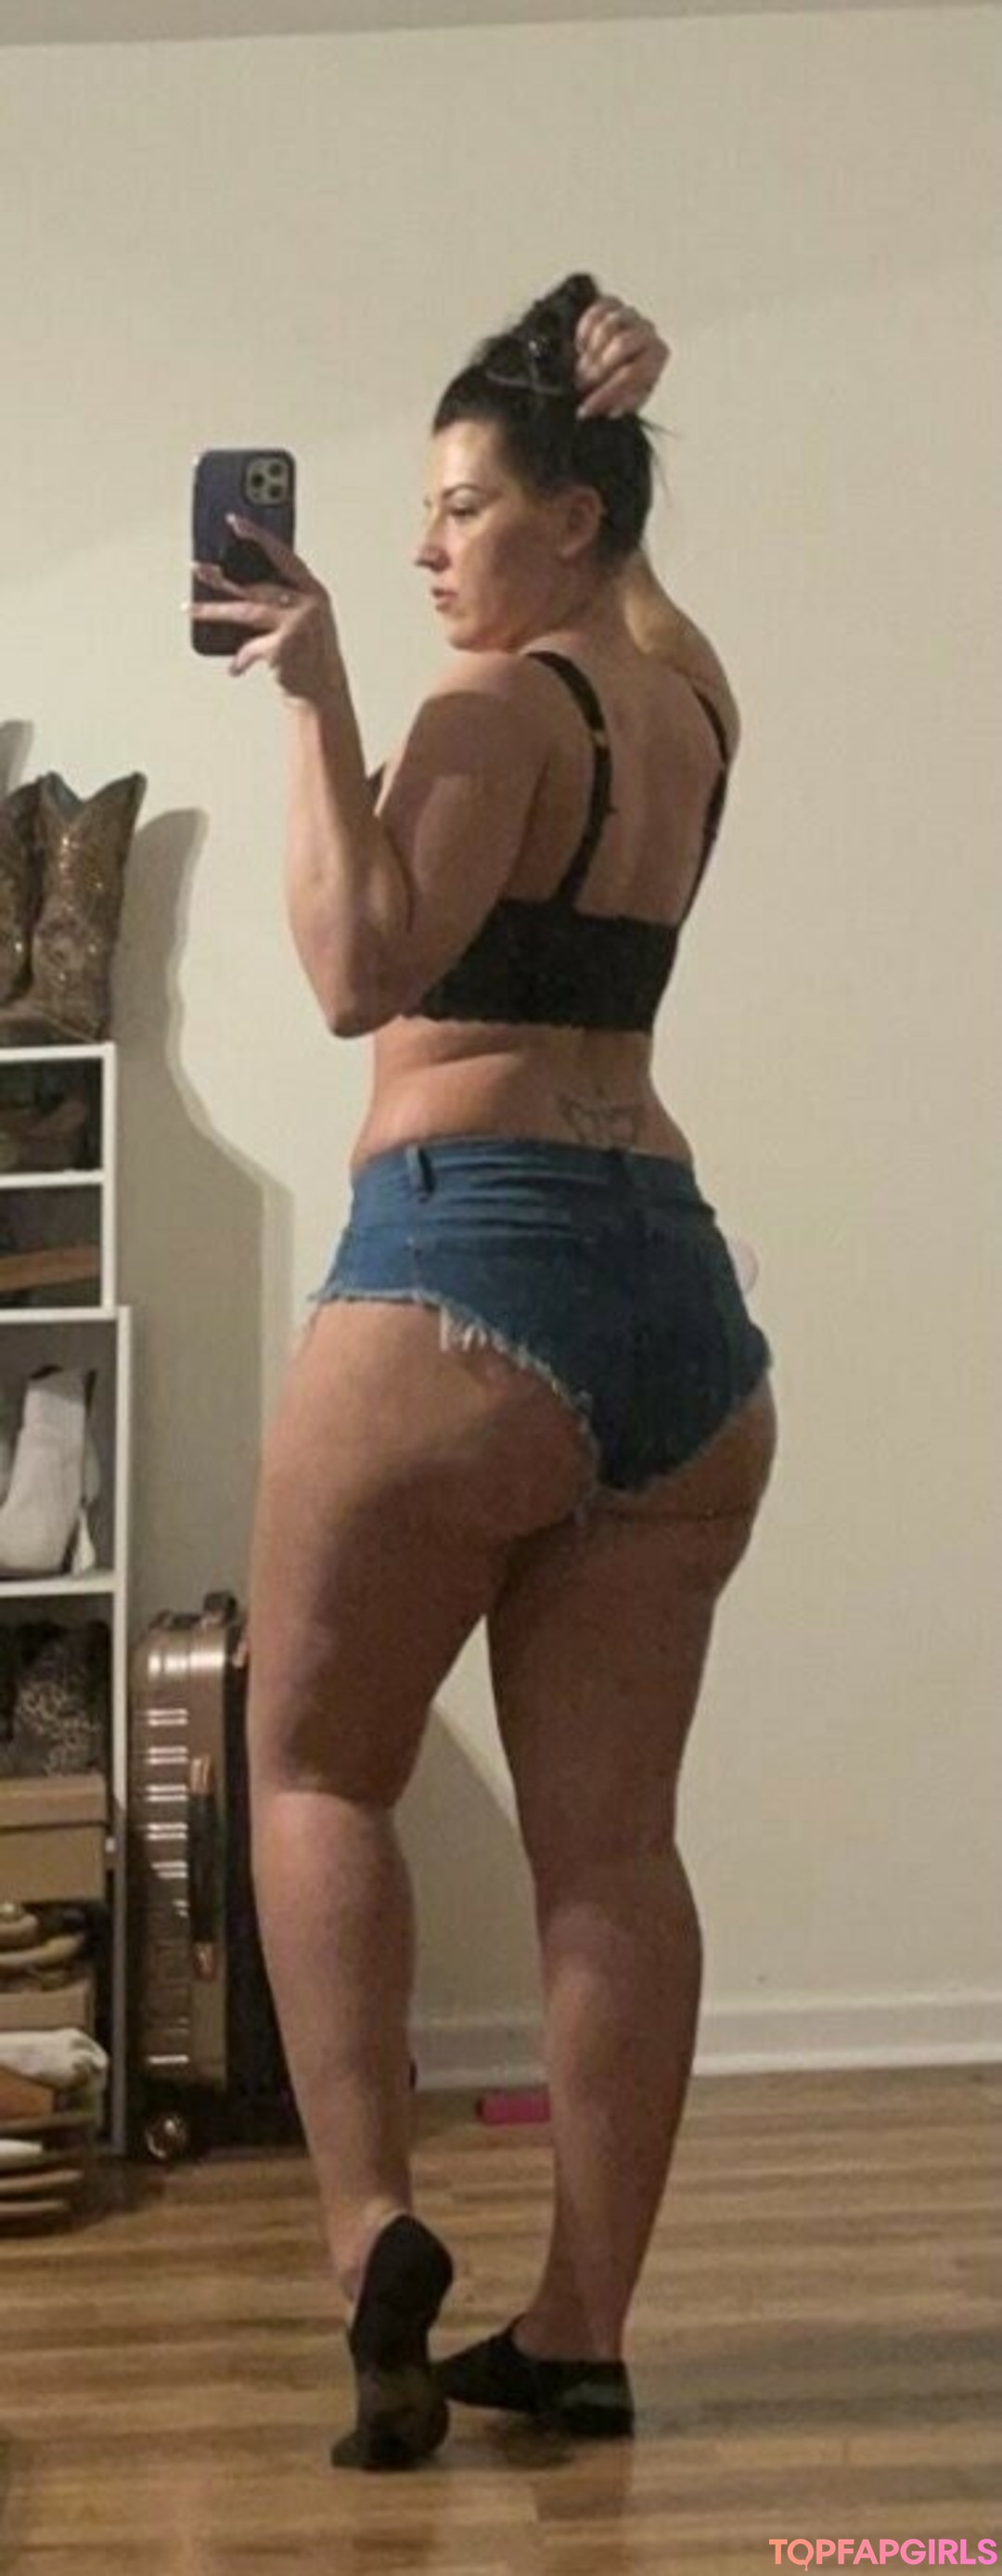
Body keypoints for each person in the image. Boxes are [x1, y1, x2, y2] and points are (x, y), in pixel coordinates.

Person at [192, 275, 778, 2470]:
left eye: (463, 504)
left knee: (310, 1769)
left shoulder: (486, 707)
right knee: (611, 1849)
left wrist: (317, 696)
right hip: (675, 1301)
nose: (428, 545)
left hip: (466, 1258)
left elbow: (358, 969)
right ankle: (583, 2329)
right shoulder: (686, 695)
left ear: (570, 517)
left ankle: (375, 2245)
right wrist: (590, 378)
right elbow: (648, 583)